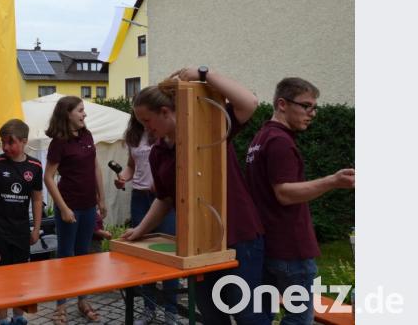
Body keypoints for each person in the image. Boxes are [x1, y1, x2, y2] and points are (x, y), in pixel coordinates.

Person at [122, 67, 268, 325]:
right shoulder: (157, 152)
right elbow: (165, 198)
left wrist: (204, 73)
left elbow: (249, 102)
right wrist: (140, 230)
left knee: (248, 315)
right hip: (198, 245)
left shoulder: (210, 130)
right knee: (212, 315)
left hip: (239, 237)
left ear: (166, 112)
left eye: (147, 121)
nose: (145, 128)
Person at [245, 78, 355, 324]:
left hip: (269, 246)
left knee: (265, 314)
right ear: (282, 104)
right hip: (291, 249)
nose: (312, 114)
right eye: (306, 106)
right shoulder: (280, 142)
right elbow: (284, 193)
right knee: (300, 318)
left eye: (314, 107)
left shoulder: (260, 138)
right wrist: (332, 181)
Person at [43, 96, 107, 324]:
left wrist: (102, 198)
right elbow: (48, 177)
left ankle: (82, 300)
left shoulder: (87, 135)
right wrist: (63, 208)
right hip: (69, 208)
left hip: (89, 206)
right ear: (67, 113)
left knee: (83, 257)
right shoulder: (59, 142)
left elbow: (95, 166)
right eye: (80, 110)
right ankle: (60, 306)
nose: (84, 114)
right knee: (65, 257)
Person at [114, 107, 178, 320]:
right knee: (144, 257)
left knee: (170, 254)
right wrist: (123, 177)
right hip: (140, 198)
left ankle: (171, 312)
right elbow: (131, 167)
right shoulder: (133, 135)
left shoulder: (162, 133)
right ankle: (148, 309)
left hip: (163, 200)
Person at [0, 119, 43, 325]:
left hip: (21, 232)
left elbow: (37, 198)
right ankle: (3, 320)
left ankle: (18, 316)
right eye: (3, 143)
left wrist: (36, 228)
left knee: (20, 276)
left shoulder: (35, 166)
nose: (6, 147)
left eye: (10, 142)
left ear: (24, 141)